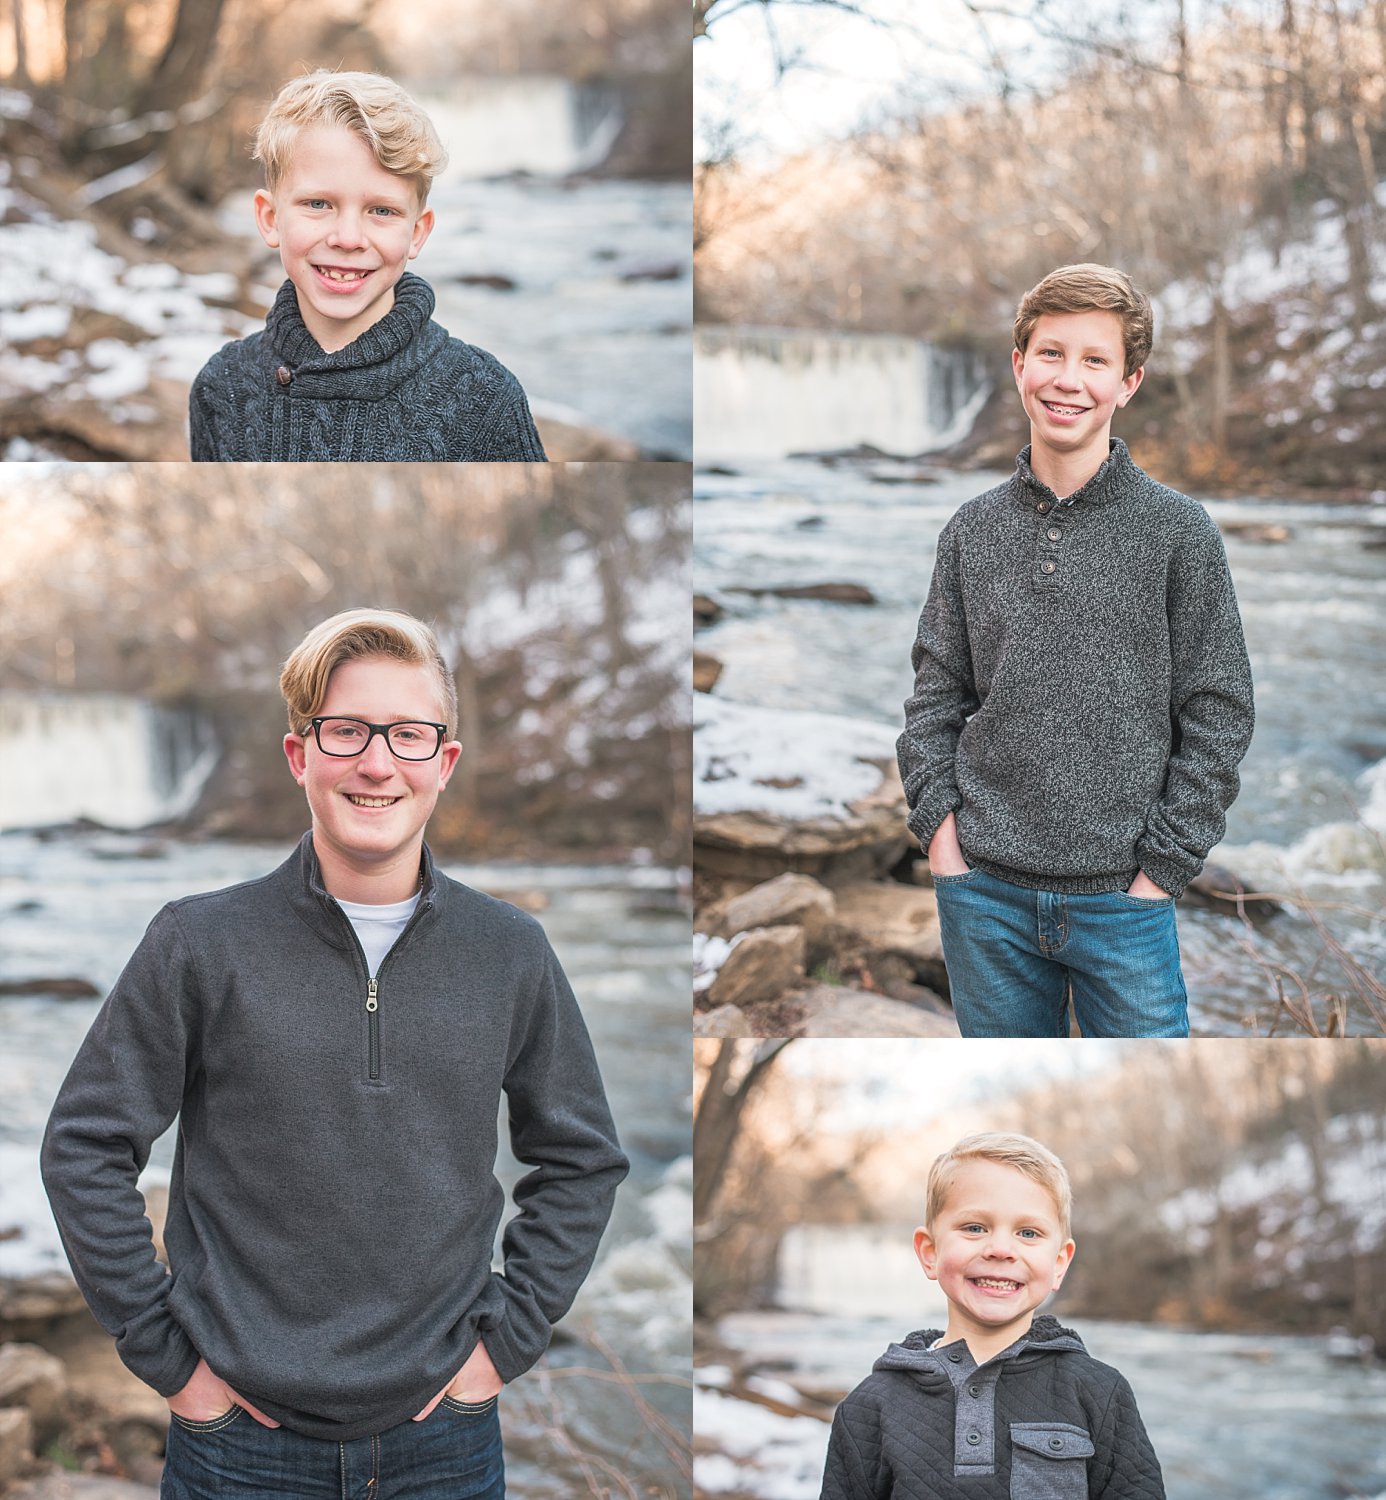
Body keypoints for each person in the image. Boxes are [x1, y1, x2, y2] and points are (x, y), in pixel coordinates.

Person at [42, 608, 626, 1498]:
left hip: (447, 1447)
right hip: (238, 1450)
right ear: (300, 755)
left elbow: (582, 1160)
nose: (377, 762)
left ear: (446, 764)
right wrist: (172, 1367)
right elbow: (84, 1146)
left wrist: (502, 1348)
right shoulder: (198, 943)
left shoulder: (510, 951)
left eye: (409, 734)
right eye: (346, 730)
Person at [896, 263, 1255, 1038]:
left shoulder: (1178, 532)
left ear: (1129, 383)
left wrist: (1161, 872)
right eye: (1052, 354)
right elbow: (935, 697)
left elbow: (1220, 712)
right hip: (982, 896)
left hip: (1124, 905)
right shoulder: (970, 531)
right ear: (1019, 364)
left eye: (1095, 361)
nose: (1069, 379)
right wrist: (942, 840)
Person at [189, 72, 546, 461]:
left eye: (382, 210)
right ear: (270, 218)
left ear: (417, 233)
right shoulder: (221, 386)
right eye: (318, 204)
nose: (348, 238)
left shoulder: (486, 399)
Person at [819, 1132, 1165, 1500]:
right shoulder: (869, 1407)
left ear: (1059, 1263)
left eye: (1028, 1233)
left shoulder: (1100, 1393)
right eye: (975, 1228)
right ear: (930, 1251)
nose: (1001, 1249)